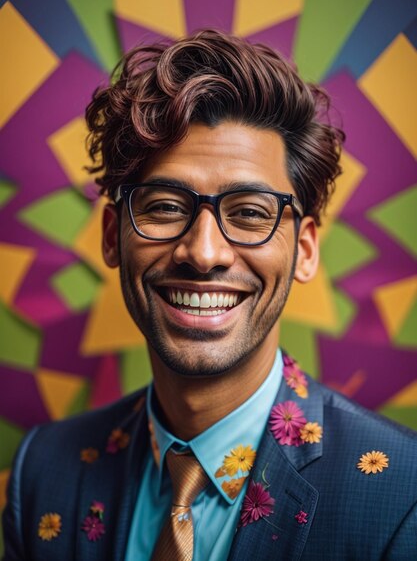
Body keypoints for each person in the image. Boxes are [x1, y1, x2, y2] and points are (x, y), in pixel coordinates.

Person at [3, 30, 417, 561]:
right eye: (165, 207)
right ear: (112, 237)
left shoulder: (403, 497)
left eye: (249, 213)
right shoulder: (42, 474)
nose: (203, 253)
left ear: (306, 250)